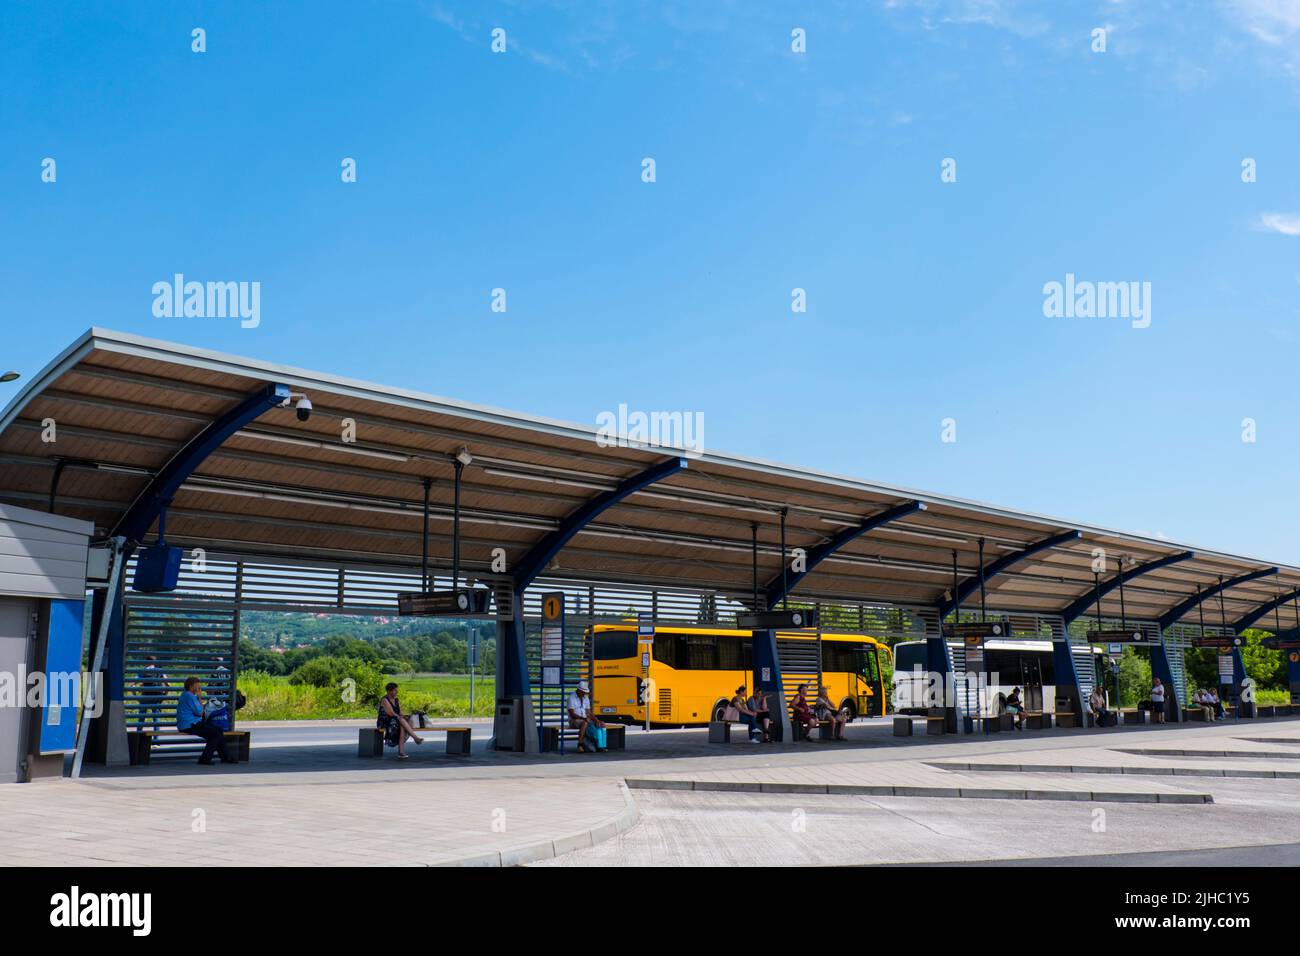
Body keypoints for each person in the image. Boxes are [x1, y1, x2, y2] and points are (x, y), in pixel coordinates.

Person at [175, 677, 231, 765]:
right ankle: (208, 759)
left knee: (216, 732)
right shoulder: (190, 696)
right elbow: (201, 712)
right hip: (190, 725)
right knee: (216, 732)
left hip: (189, 724)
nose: (199, 688)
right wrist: (200, 698)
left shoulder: (185, 695)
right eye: (197, 686)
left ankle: (225, 757)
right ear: (191, 686)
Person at [377, 682, 424, 758]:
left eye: (396, 690)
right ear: (389, 691)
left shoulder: (396, 700)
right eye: (395, 690)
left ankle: (401, 752)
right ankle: (415, 738)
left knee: (405, 722)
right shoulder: (385, 700)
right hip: (385, 721)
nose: (397, 692)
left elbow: (400, 712)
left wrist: (405, 716)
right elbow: (391, 713)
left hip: (396, 720)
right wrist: (400, 717)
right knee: (401, 721)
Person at [568, 680, 606, 753]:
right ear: (578, 690)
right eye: (583, 691)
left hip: (585, 719)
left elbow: (588, 712)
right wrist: (584, 718)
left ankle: (601, 745)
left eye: (585, 692)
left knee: (601, 724)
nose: (584, 693)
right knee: (584, 723)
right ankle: (580, 744)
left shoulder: (585, 698)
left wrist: (596, 720)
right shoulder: (571, 698)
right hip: (574, 720)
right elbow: (572, 714)